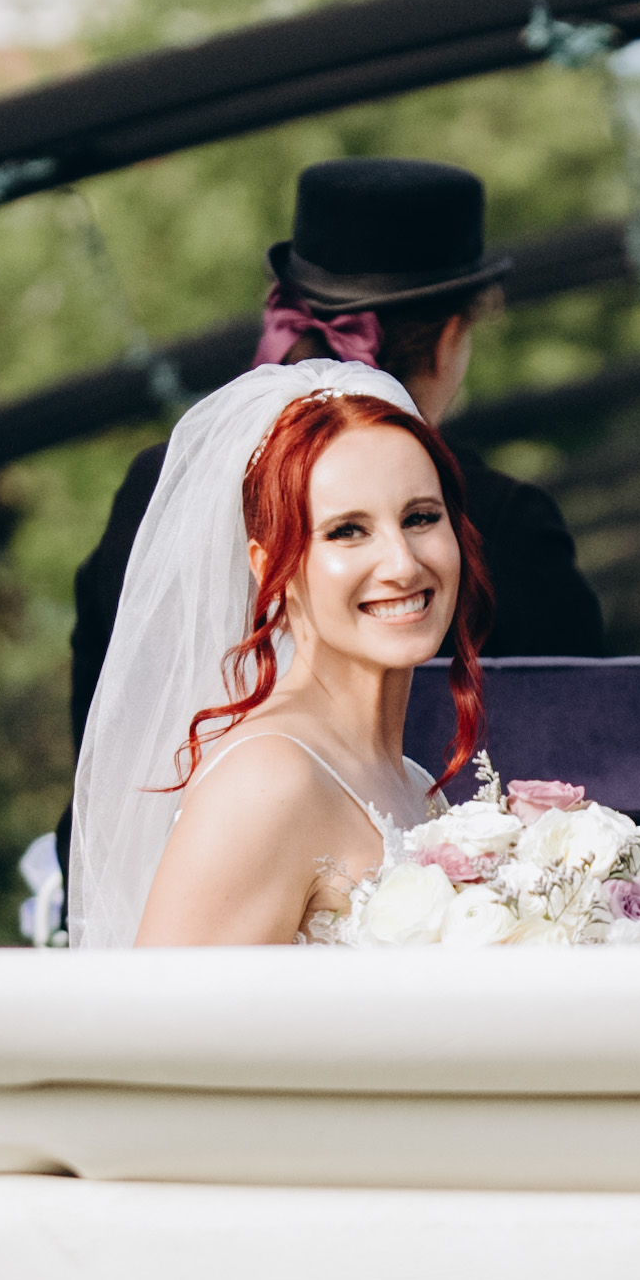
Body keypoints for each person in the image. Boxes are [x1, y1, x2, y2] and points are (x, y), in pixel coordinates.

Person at [68, 153, 599, 765]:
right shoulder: (501, 517)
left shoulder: (157, 488)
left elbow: (102, 726)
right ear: (450, 339)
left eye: (418, 518)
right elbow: (591, 745)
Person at [129, 384, 488, 947]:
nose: (402, 563)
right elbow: (155, 1006)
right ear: (270, 566)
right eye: (348, 531)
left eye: (420, 518)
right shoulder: (268, 781)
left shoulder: (413, 782)